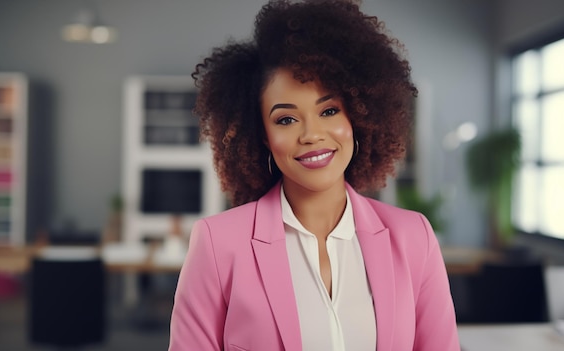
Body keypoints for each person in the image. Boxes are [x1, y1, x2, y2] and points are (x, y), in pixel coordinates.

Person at [168, 0, 460, 350]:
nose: (311, 134)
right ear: (261, 135)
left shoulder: (414, 238)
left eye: (329, 110)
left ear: (358, 115)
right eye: (286, 119)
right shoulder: (218, 245)